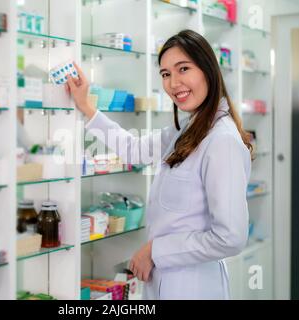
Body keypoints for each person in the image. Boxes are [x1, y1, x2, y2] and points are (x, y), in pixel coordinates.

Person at [66, 29, 252, 300]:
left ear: (208, 70)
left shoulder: (221, 140)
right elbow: (133, 150)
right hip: (166, 280)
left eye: (183, 69)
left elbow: (231, 237)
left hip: (193, 285)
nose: (173, 83)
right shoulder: (188, 129)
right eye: (166, 74)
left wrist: (155, 251)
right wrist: (87, 107)